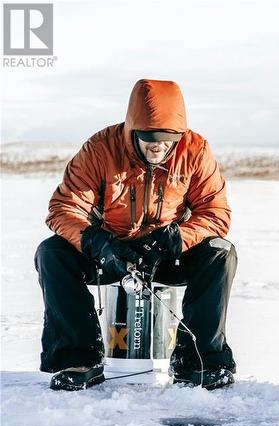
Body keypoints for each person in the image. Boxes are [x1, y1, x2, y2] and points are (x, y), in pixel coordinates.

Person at [34, 79, 237, 391]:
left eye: (167, 141)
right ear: (132, 132)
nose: (158, 147)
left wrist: (179, 238)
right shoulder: (100, 150)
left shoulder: (196, 151)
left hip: (168, 252)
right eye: (149, 139)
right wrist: (94, 241)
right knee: (52, 252)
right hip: (109, 252)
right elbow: (64, 208)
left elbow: (216, 213)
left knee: (220, 252)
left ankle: (200, 361)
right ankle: (79, 359)